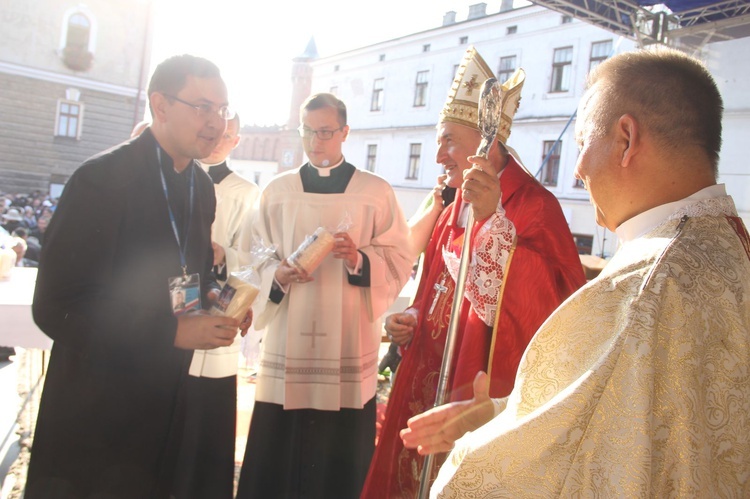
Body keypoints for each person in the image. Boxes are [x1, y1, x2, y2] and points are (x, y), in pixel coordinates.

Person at [400, 47, 750, 497]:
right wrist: (498, 412)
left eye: (583, 144)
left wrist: (466, 460)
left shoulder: (641, 287)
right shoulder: (727, 245)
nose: (580, 169)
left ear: (625, 139)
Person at [361, 46, 586, 497]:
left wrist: (494, 225)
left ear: (487, 145)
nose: (439, 154)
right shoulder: (450, 208)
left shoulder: (537, 207)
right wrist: (410, 322)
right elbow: (435, 289)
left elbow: (557, 311)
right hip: (425, 372)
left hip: (477, 386)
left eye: (448, 140)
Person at [26, 54, 250, 498]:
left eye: (222, 110)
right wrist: (173, 332)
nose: (216, 123)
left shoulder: (200, 187)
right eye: (202, 107)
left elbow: (183, 279)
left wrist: (219, 304)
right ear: (160, 105)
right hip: (95, 409)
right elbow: (57, 306)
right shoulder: (101, 179)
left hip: (165, 400)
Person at [235, 92, 413, 498]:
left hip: (348, 338)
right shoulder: (278, 191)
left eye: (326, 132)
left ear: (345, 132)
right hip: (288, 336)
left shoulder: (375, 192)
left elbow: (399, 255)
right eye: (308, 132)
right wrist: (275, 273)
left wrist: (359, 259)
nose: (316, 141)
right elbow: (251, 253)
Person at [172, 113, 260, 499]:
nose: (218, 138)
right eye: (215, 130)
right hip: (177, 298)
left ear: (236, 141)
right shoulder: (179, 175)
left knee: (208, 408)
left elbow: (256, 256)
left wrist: (224, 253)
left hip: (219, 296)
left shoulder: (245, 191)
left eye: (228, 135)